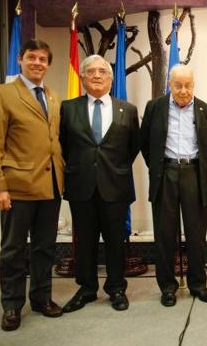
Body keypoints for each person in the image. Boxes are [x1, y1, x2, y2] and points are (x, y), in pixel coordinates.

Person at [0, 39, 64, 331]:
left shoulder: (52, 96)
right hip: (16, 187)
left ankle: (41, 298)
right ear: (20, 59)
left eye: (43, 59)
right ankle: (12, 305)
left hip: (51, 185)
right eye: (32, 57)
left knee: (45, 248)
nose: (37, 63)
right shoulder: (1, 94)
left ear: (48, 64)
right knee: (14, 249)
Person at [59, 55, 139, 313]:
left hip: (115, 185)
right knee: (85, 241)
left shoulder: (127, 109)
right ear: (82, 77)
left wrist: (113, 168)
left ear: (110, 78)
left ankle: (116, 288)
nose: (96, 75)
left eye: (102, 71)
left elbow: (133, 147)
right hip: (81, 185)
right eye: (90, 71)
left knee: (116, 240)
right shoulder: (68, 108)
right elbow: (63, 144)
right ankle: (87, 288)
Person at [140, 64, 207, 307]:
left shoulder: (206, 110)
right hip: (166, 174)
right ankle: (168, 287)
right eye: (178, 85)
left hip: (194, 174)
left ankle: (198, 284)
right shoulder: (155, 107)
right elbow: (145, 143)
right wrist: (159, 167)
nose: (183, 90)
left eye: (188, 85)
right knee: (164, 234)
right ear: (170, 85)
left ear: (194, 85)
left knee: (196, 234)